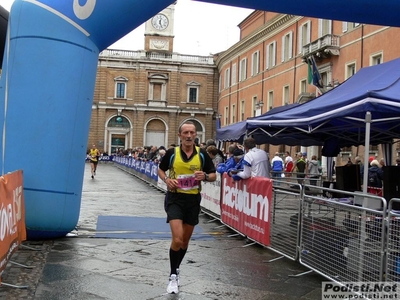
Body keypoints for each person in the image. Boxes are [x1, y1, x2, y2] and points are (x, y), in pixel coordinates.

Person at [158, 121, 216, 294]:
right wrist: (167, 180)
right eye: (186, 133)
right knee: (177, 239)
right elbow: (160, 170)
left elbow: (213, 175)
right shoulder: (172, 153)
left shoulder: (202, 154)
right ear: (180, 135)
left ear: (196, 135)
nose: (189, 136)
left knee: (184, 241)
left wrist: (204, 176)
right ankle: (173, 276)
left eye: (192, 132)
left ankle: (176, 268)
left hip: (192, 200)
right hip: (175, 199)